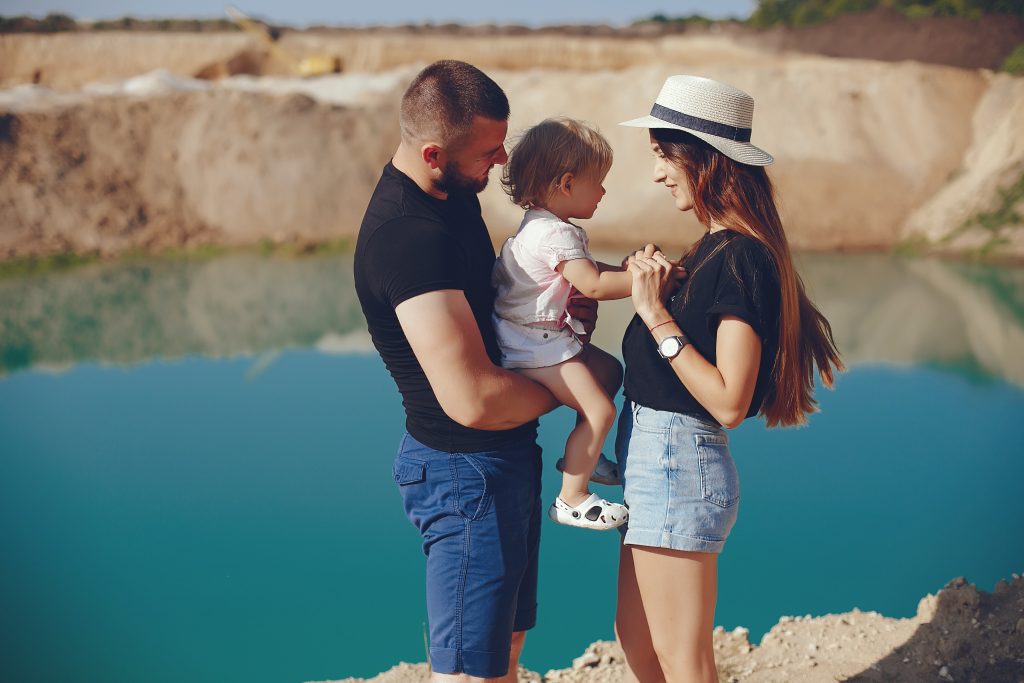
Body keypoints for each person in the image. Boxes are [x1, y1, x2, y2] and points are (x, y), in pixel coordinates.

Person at [353, 61, 597, 682]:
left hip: (503, 461)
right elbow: (475, 401)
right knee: (467, 672)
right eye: (490, 152)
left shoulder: (452, 196)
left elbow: (500, 317)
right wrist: (573, 388)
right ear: (434, 153)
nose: (504, 161)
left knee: (504, 649)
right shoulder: (408, 238)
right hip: (463, 474)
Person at [612, 75, 843, 682]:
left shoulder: (741, 256)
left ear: (704, 161)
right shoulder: (711, 249)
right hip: (652, 459)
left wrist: (656, 314)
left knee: (682, 660)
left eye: (665, 156)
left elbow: (728, 400)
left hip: (677, 463)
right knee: (637, 643)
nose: (659, 173)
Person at [491, 117, 640, 530]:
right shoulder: (557, 235)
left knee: (609, 371)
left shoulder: (542, 225)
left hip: (535, 337)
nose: (604, 191)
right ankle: (571, 498)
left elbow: (586, 270)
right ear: (567, 183)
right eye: (600, 182)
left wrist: (627, 270)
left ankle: (584, 457)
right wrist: (643, 280)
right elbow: (592, 285)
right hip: (536, 345)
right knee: (600, 411)